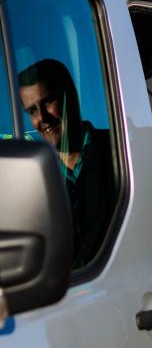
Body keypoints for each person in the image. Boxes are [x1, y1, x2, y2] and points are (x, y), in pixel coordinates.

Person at [18, 58, 115, 267]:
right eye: (32, 111)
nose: (42, 118)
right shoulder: (34, 180)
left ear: (70, 96)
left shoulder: (118, 152)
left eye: (48, 102)